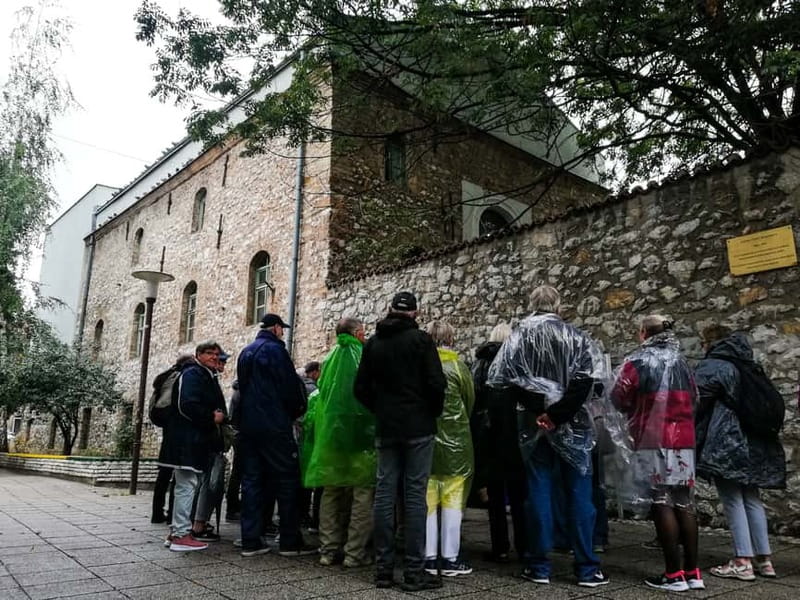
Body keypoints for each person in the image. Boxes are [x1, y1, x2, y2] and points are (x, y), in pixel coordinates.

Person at [487, 285, 608, 588]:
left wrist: (540, 410)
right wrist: (558, 414)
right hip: (572, 424)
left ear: (532, 304)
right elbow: (585, 382)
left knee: (538, 492)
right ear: (558, 304)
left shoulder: (519, 336)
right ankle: (587, 568)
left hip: (533, 424)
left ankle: (539, 565)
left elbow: (505, 378)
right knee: (580, 493)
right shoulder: (576, 337)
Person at [354, 291, 447, 592]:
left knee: (384, 494)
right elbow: (436, 383)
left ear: (390, 310)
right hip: (418, 426)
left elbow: (360, 388)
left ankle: (383, 569)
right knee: (414, 496)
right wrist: (428, 411)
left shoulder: (373, 344)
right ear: (416, 314)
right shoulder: (422, 341)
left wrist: (381, 408)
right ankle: (414, 571)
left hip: (387, 426)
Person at [611, 315, 701, 592]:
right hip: (683, 438)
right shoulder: (682, 362)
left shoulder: (637, 362)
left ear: (643, 333)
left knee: (661, 500)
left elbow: (618, 396)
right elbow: (696, 397)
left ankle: (673, 574)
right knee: (683, 500)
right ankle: (693, 571)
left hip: (653, 438)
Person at [695, 325, 785, 581]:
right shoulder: (749, 363)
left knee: (732, 499)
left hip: (728, 441)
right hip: (756, 441)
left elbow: (695, 402)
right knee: (752, 498)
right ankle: (764, 560)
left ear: (709, 342)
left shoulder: (715, 365)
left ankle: (741, 561)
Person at [237, 313, 316, 557]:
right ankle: (290, 540)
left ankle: (251, 540)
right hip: (274, 424)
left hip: (249, 426)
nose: (283, 333)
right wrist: (294, 412)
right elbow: (290, 387)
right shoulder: (275, 351)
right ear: (275, 328)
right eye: (282, 329)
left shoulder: (246, 352)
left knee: (252, 481)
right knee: (287, 478)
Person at [304, 318, 376, 568]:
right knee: (362, 494)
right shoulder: (364, 356)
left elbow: (321, 393)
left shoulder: (330, 358)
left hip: (332, 438)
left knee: (332, 492)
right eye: (363, 332)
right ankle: (354, 553)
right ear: (357, 333)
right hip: (361, 437)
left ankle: (327, 550)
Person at [157, 341, 226, 552]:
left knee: (184, 486)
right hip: (187, 440)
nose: (215, 357)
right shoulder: (194, 374)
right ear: (199, 354)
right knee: (187, 486)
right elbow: (187, 404)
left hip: (188, 439)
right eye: (209, 353)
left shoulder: (200, 373)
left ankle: (177, 531)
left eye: (217, 354)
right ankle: (180, 535)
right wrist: (211, 417)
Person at [472, 322, 527, 563]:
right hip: (514, 430)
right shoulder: (519, 362)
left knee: (494, 494)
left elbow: (474, 395)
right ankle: (524, 547)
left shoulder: (482, 362)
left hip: (489, 431)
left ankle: (500, 547)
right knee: (518, 494)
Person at [424, 320, 475, 577]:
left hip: (426, 440)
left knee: (428, 501)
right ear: (450, 339)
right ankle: (450, 557)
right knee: (453, 501)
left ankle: (429, 556)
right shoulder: (458, 366)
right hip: (457, 443)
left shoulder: (420, 367)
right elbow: (470, 401)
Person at [190, 350, 231, 542]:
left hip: (206, 440)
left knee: (202, 483)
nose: (221, 365)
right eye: (219, 361)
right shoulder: (204, 379)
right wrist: (217, 418)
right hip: (210, 440)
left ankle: (196, 522)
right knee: (209, 484)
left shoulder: (206, 378)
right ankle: (198, 524)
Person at [151, 353, 195, 525]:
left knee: (164, 473)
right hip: (178, 426)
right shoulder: (182, 377)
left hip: (167, 427)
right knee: (179, 471)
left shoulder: (166, 376)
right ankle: (171, 514)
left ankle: (156, 513)